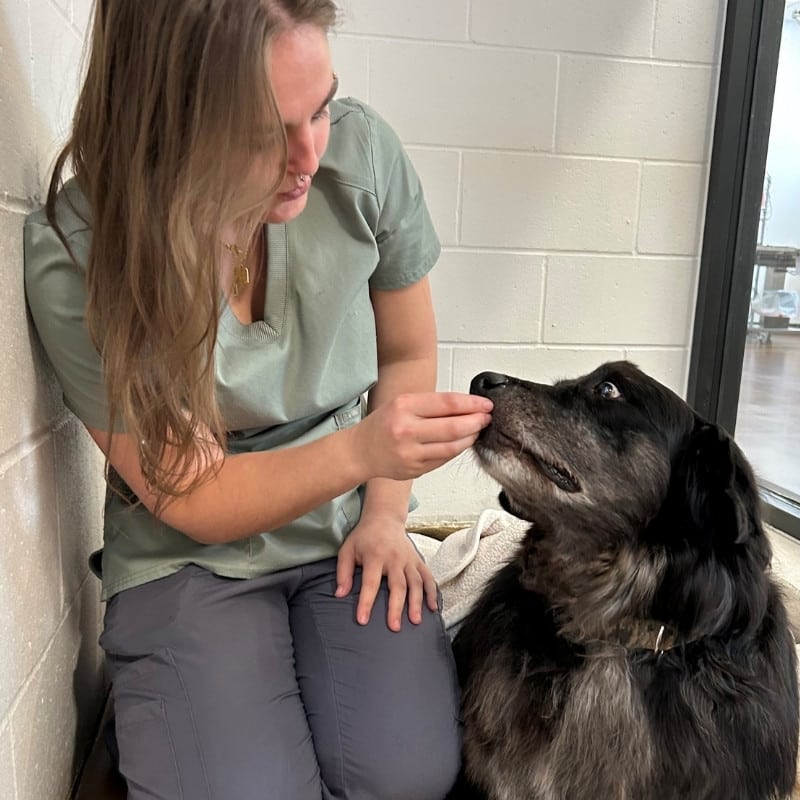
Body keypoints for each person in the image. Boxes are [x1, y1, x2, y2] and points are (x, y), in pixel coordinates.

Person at [23, 1, 493, 798]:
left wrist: (385, 515)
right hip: (188, 553)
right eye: (265, 132)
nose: (309, 154)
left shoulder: (361, 153)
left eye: (319, 108)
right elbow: (198, 499)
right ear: (166, 119)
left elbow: (407, 351)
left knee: (409, 776)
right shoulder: (79, 254)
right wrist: (364, 450)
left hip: (346, 524)